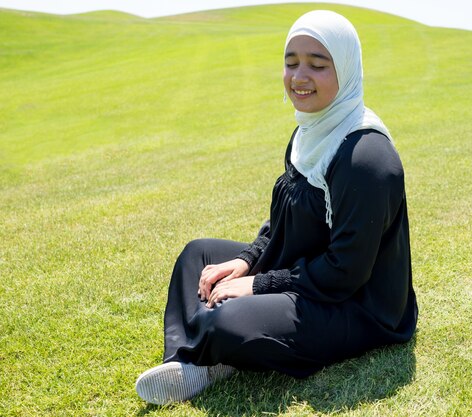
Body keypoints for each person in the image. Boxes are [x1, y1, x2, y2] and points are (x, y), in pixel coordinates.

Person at [135, 9, 418, 405]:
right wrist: (248, 261)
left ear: (347, 69)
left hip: (355, 307)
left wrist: (256, 285)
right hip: (301, 273)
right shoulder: (311, 129)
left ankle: (215, 341)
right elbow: (285, 218)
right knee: (197, 255)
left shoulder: (366, 157)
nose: (299, 77)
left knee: (228, 318)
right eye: (291, 63)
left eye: (318, 65)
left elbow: (346, 273)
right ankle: (190, 363)